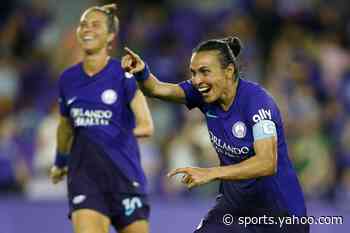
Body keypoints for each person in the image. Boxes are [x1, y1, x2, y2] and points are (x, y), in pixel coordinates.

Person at [121, 37, 309, 233]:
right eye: (193, 73)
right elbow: (156, 89)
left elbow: (267, 162)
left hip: (279, 214)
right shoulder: (202, 94)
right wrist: (141, 72)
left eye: (204, 72)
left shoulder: (257, 102)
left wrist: (210, 172)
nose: (197, 80)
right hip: (234, 210)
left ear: (228, 72)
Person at [49, 4, 154, 233]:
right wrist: (59, 162)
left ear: (110, 36)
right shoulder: (68, 79)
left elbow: (146, 126)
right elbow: (65, 126)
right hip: (85, 178)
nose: (87, 29)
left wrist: (111, 132)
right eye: (83, 24)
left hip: (125, 177)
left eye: (95, 25)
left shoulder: (124, 75)